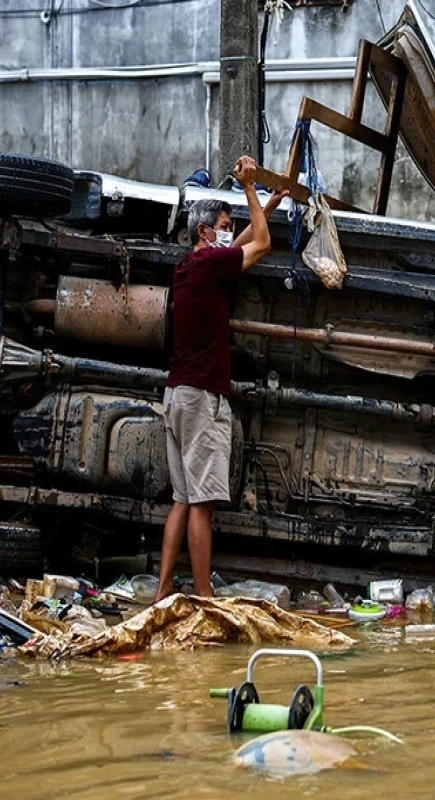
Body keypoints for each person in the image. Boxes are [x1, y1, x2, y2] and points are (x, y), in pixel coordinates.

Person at [153, 156, 287, 602]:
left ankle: (164, 590)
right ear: (205, 232)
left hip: (175, 395)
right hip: (201, 399)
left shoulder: (190, 267)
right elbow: (262, 245)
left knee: (182, 499)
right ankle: (205, 599)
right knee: (202, 505)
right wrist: (250, 187)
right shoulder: (211, 266)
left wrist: (265, 203)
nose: (230, 230)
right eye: (225, 225)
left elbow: (244, 243)